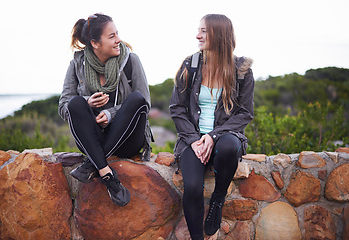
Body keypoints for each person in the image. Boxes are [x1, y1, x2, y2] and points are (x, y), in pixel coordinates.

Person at [169, 14, 254, 239]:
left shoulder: (242, 70)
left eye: (204, 31)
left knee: (228, 146)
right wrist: (195, 140)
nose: (198, 35)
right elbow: (177, 108)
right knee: (193, 187)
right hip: (193, 140)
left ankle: (218, 198)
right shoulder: (191, 65)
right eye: (199, 30)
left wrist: (213, 136)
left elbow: (245, 113)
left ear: (220, 34)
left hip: (225, 138)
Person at [58, 13, 153, 207]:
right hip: (93, 138)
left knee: (137, 99)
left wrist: (111, 114)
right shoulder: (77, 65)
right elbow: (64, 107)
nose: (118, 39)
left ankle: (94, 164)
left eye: (117, 34)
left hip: (128, 140)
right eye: (111, 36)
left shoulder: (131, 60)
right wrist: (88, 103)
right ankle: (107, 175)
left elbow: (145, 104)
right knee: (75, 103)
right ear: (95, 43)